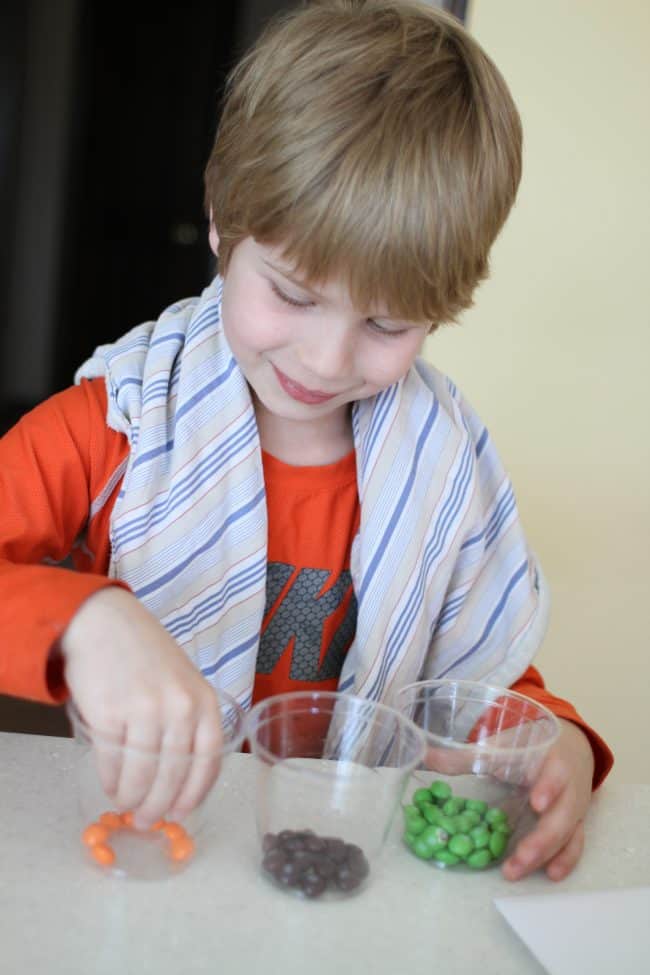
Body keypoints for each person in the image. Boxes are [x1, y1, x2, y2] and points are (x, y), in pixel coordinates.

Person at [0, 0, 611, 882]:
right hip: (156, 856)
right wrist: (86, 619)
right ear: (220, 217)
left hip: (337, 872)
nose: (326, 360)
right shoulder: (115, 427)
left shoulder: (441, 467)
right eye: (291, 294)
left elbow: (480, 676)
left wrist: (563, 746)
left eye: (390, 322)